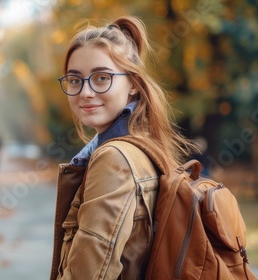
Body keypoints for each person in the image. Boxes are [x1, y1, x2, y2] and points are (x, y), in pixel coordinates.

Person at [50, 16, 195, 279]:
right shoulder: (144, 146)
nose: (85, 92)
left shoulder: (113, 159)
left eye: (102, 77)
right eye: (75, 80)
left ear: (132, 84)